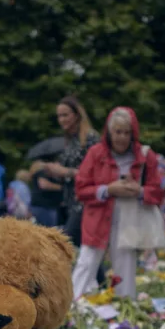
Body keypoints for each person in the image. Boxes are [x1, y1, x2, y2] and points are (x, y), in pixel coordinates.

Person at [72, 107, 164, 300]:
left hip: (129, 221)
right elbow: (81, 189)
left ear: (133, 134)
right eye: (117, 132)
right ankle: (70, 308)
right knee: (86, 263)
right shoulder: (96, 153)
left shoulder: (145, 156)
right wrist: (108, 190)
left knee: (126, 269)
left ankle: (125, 309)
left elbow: (157, 192)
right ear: (109, 132)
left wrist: (138, 191)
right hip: (97, 219)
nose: (121, 137)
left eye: (126, 132)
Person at [47, 96, 100, 241]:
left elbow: (97, 174)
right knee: (78, 246)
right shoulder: (70, 141)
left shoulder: (90, 139)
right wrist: (55, 171)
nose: (61, 120)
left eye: (65, 115)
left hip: (84, 203)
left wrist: (65, 171)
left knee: (66, 241)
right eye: (59, 116)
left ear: (77, 115)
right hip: (69, 202)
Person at [29, 161, 62, 227]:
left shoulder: (36, 175)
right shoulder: (42, 173)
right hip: (45, 207)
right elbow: (44, 185)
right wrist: (61, 187)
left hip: (41, 206)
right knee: (48, 229)